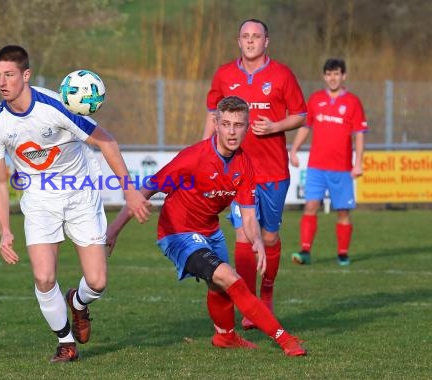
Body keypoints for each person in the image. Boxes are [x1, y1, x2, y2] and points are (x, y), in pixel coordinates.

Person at [0, 45, 151, 363]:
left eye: (9, 74)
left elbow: (107, 141)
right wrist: (4, 229)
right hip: (39, 201)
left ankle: (77, 302)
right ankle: (66, 342)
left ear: (26, 75)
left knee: (98, 282)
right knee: (44, 277)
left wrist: (129, 191)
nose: (2, 82)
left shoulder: (56, 107)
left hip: (81, 197)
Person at [107, 96, 307, 356]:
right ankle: (285, 340)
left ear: (247, 127)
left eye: (238, 125)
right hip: (177, 232)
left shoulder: (244, 163)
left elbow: (248, 215)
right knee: (229, 277)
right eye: (226, 124)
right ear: (216, 123)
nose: (232, 131)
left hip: (210, 232)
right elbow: (148, 187)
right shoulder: (193, 158)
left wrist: (257, 240)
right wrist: (114, 230)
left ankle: (225, 337)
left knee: (219, 285)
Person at [203, 18, 307, 330]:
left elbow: (301, 115)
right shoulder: (224, 75)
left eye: (256, 36)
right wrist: (203, 152)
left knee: (270, 236)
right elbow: (212, 116)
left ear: (266, 41)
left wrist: (275, 127)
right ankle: (249, 304)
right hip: (237, 172)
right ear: (238, 41)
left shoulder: (281, 74)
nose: (250, 41)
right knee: (245, 235)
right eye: (245, 36)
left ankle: (268, 290)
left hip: (273, 170)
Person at [290, 58, 368, 266]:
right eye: (329, 74)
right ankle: (305, 250)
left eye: (336, 74)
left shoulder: (353, 102)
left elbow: (359, 134)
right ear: (324, 76)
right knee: (310, 206)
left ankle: (343, 253)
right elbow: (305, 127)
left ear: (343, 76)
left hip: (342, 168)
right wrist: (294, 149)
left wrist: (358, 162)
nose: (333, 78)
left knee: (342, 211)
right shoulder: (315, 100)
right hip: (317, 167)